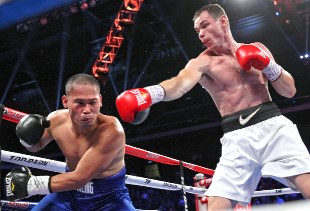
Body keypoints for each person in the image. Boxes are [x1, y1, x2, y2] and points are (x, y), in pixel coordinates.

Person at [115, 3, 310, 211]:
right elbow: (179, 85)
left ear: (223, 21)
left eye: (205, 26)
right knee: (215, 207)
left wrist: (268, 65)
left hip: (273, 127)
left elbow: (289, 90)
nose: (201, 34)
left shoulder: (258, 48)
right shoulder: (202, 63)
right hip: (236, 138)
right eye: (198, 31)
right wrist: (149, 93)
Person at [5, 73, 136, 210]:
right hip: (69, 192)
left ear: (100, 100)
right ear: (65, 101)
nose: (87, 110)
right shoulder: (55, 120)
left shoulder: (111, 131)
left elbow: (80, 178)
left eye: (92, 102)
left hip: (109, 198)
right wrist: (26, 137)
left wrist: (31, 184)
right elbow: (35, 147)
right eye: (79, 103)